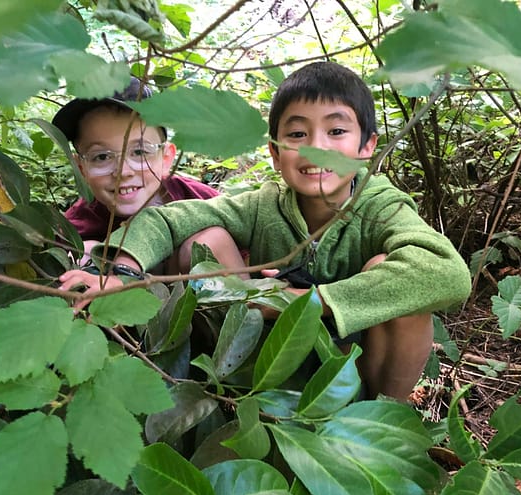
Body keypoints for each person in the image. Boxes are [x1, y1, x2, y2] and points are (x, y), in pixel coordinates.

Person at [58, 61, 472, 402]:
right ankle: (240, 388)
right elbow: (170, 218)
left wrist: (302, 301)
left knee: (400, 278)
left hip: (355, 362)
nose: (315, 147)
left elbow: (447, 273)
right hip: (277, 357)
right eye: (297, 134)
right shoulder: (262, 205)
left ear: (367, 146)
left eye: (337, 131)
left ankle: (384, 417)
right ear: (274, 152)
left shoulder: (381, 206)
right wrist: (123, 271)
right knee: (206, 238)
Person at [52, 76, 221, 265]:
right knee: (84, 254)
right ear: (81, 168)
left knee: (211, 239)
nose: (123, 172)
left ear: (166, 158)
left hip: (205, 289)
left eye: (140, 152)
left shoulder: (200, 200)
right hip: (122, 292)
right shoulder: (75, 229)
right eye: (101, 157)